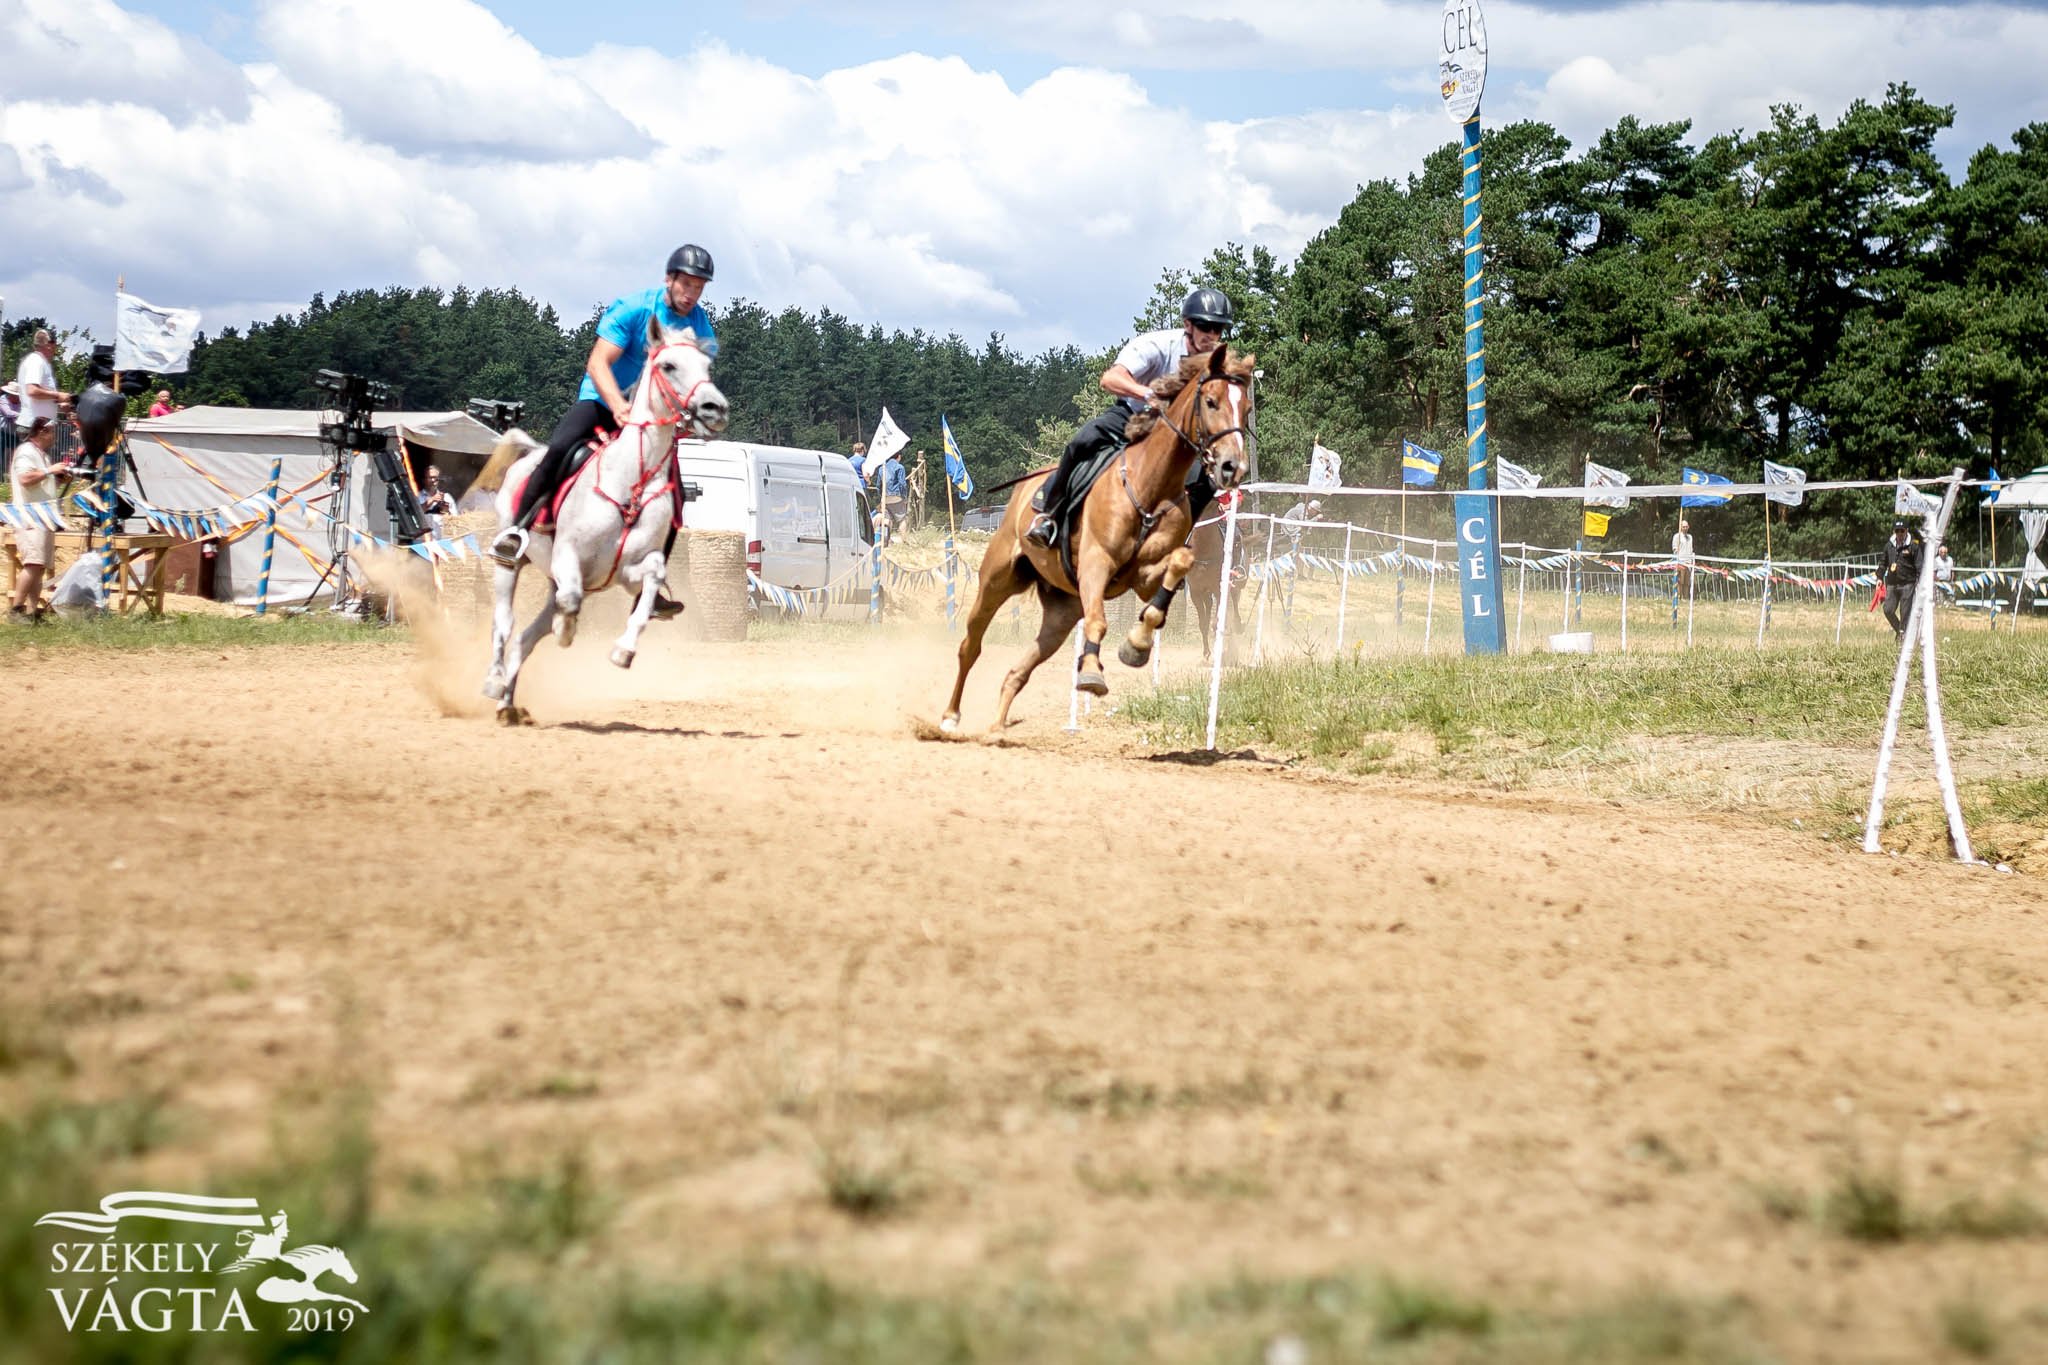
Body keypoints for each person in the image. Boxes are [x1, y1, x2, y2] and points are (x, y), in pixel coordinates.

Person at [491, 244, 719, 622]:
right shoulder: (632, 309)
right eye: (687, 284)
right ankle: (515, 531)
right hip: (601, 402)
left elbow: (690, 379)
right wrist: (617, 405)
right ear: (670, 279)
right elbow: (598, 362)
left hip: (647, 417)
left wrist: (686, 416)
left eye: (699, 287)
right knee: (560, 447)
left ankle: (651, 587)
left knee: (673, 493)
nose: (692, 293)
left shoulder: (699, 324)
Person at [1025, 287, 1234, 549]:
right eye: (1206, 327)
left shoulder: (1216, 363)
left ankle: (1175, 541)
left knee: (1209, 480)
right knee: (1084, 440)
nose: (1212, 335)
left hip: (1175, 435)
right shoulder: (1156, 346)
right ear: (1188, 325)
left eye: (1218, 329)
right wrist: (1146, 393)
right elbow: (1110, 379)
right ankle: (1049, 513)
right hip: (1135, 414)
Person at [9, 418, 75, 621]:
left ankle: (31, 611)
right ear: (42, 431)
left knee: (39, 565)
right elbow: (25, 479)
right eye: (52, 432)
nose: (54, 436)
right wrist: (49, 471)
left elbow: (39, 480)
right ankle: (16, 609)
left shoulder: (42, 455)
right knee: (32, 563)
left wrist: (58, 476)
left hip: (43, 516)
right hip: (30, 516)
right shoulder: (26, 452)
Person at [15, 330, 71, 435]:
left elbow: (37, 398)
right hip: (34, 427)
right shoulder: (36, 361)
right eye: (54, 346)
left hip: (37, 426)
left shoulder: (38, 361)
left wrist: (58, 403)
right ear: (49, 345)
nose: (55, 350)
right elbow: (32, 391)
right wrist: (58, 395)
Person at [1880, 519, 1922, 638]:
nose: (1899, 533)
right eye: (1897, 531)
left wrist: (1919, 582)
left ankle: (1903, 638)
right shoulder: (1889, 545)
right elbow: (1883, 562)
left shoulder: (1913, 545)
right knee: (1888, 610)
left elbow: (1919, 565)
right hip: (1892, 583)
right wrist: (1879, 577)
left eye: (1901, 531)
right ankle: (1900, 631)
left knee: (1905, 613)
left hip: (1908, 583)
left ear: (1906, 531)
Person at [881, 448, 909, 542]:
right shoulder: (900, 467)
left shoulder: (882, 468)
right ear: (899, 457)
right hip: (896, 497)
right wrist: (904, 497)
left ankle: (886, 540)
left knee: (886, 520)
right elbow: (902, 484)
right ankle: (904, 540)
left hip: (885, 497)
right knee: (902, 519)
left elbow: (878, 485)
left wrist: (881, 496)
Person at [419, 465, 456, 536]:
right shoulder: (417, 496)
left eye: (435, 478)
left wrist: (445, 510)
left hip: (441, 540)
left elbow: (454, 519)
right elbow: (416, 514)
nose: (433, 480)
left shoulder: (447, 497)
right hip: (422, 541)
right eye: (430, 478)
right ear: (424, 480)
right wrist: (432, 500)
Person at [1671, 518, 1695, 598]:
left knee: (1687, 582)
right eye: (1683, 526)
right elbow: (1674, 548)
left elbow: (1691, 549)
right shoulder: (1677, 536)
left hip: (1688, 563)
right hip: (1680, 561)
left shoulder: (1690, 537)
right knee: (1680, 581)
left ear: (1688, 527)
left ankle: (1685, 597)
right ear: (1680, 527)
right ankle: (1679, 597)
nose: (1685, 528)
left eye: (1686, 526)